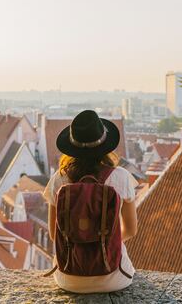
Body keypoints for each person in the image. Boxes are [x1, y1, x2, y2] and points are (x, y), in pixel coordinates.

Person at [43, 109, 138, 293]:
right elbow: (132, 230)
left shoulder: (59, 179)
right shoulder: (121, 177)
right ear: (105, 146)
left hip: (68, 275)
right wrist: (106, 241)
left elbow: (55, 235)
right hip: (113, 277)